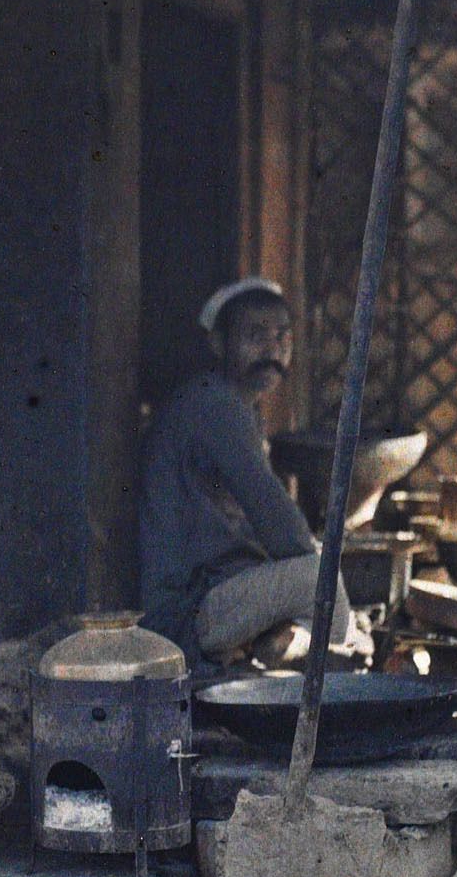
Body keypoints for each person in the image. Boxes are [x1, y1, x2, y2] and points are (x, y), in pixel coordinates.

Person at [139, 276, 351, 672]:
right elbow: (277, 521)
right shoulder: (216, 406)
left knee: (316, 572)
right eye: (256, 336)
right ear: (219, 344)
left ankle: (280, 652)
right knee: (321, 576)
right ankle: (332, 671)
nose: (273, 351)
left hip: (206, 594)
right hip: (182, 612)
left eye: (282, 338)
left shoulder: (234, 406)